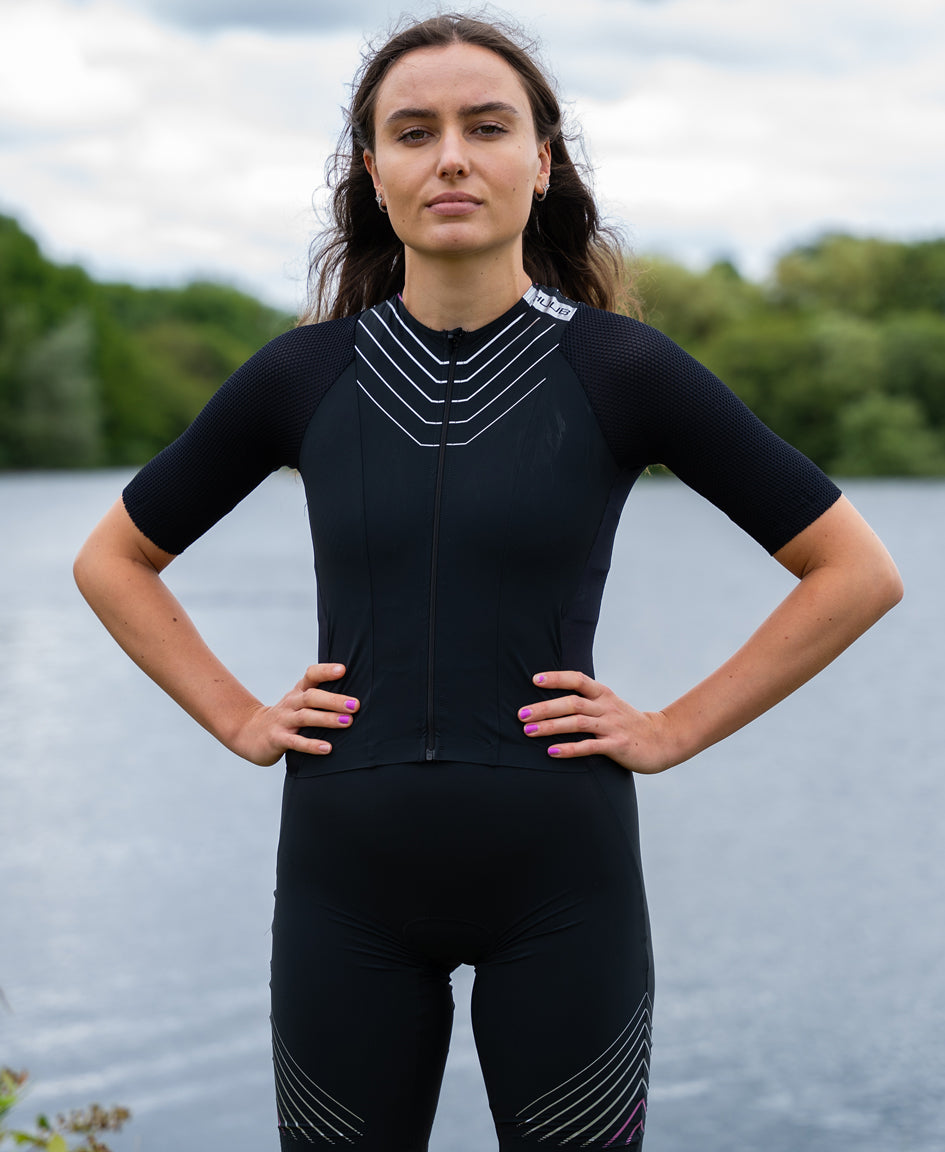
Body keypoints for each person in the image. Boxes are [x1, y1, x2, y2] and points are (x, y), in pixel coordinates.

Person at [73, 12, 902, 1151]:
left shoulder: (620, 369)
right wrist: (237, 716)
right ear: (374, 173)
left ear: (542, 161)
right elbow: (113, 559)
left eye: (487, 126)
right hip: (342, 894)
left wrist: (673, 728)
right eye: (414, 132)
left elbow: (853, 571)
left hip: (563, 889)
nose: (451, 157)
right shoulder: (302, 377)